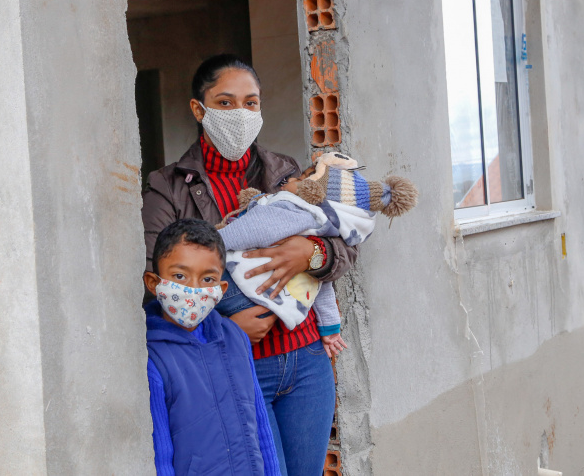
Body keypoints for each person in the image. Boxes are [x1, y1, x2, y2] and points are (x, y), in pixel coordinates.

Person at [141, 54, 358, 476]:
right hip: (238, 363)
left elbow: (344, 239)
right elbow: (156, 283)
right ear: (197, 109)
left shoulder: (286, 172)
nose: (240, 113)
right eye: (225, 102)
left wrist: (312, 254)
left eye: (251, 102)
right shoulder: (166, 188)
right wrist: (226, 329)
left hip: (308, 361)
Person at [214, 151, 418, 357]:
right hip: (269, 308)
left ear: (312, 191)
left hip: (237, 288)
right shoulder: (322, 226)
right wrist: (330, 328)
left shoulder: (294, 210)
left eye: (303, 178)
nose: (292, 179)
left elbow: (253, 228)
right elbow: (319, 285)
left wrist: (206, 243)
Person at [143, 218, 281, 476]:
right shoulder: (153, 357)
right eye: (180, 276)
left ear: (220, 289)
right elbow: (160, 456)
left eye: (208, 279)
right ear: (154, 283)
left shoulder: (234, 338)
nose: (194, 289)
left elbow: (260, 424)